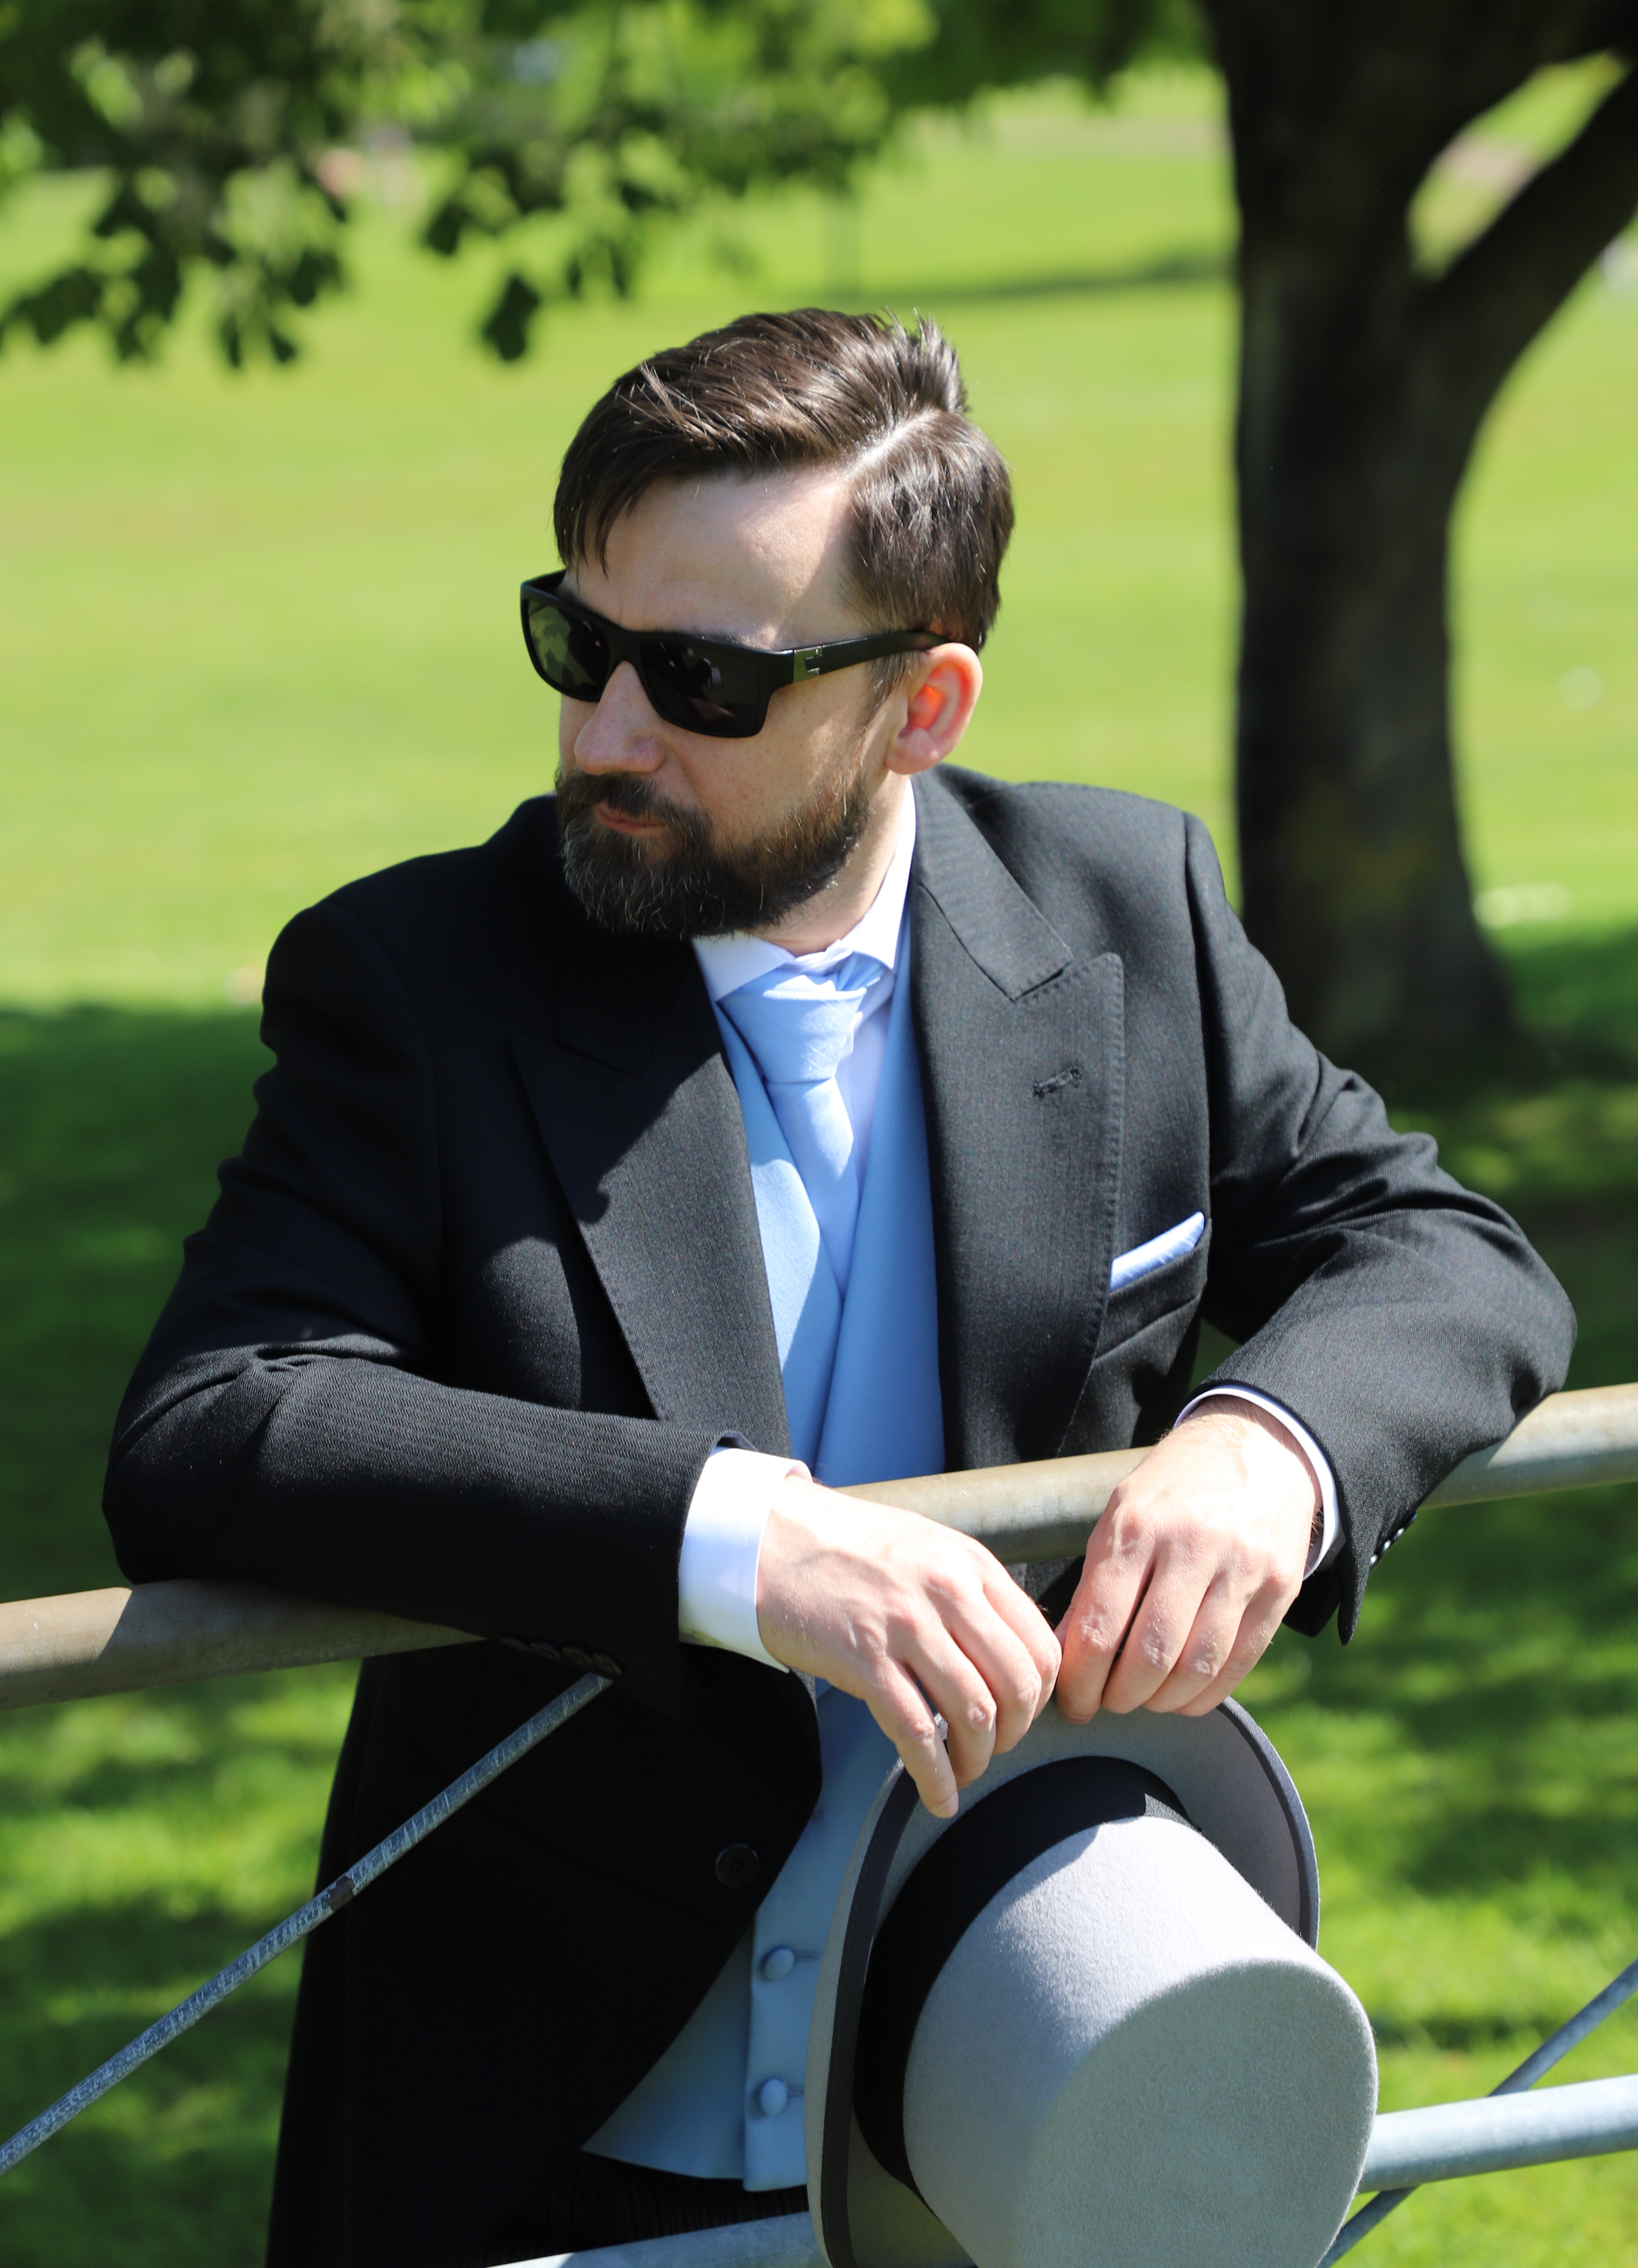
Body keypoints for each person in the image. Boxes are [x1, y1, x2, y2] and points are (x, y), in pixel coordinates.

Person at [104, 309, 1573, 2268]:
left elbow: (1441, 1252)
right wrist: (734, 1546)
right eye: (579, 642)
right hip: (547, 2161)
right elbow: (216, 1421)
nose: (607, 731)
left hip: (1028, 2112)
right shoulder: (415, 980)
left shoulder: (1127, 910)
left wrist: (1269, 1442)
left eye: (700, 679)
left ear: (924, 703)